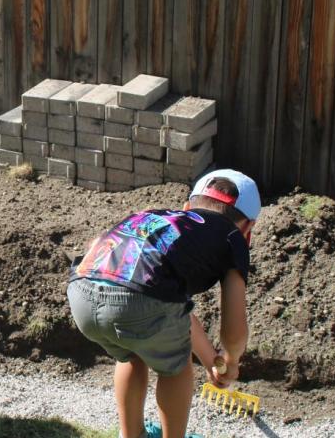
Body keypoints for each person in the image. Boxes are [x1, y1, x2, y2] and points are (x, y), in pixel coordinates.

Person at [67, 169, 259, 438]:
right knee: (176, 369)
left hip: (82, 288)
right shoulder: (231, 237)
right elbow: (234, 329)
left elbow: (174, 312)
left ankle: (131, 435)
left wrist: (210, 360)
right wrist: (231, 359)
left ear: (187, 207)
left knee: (132, 350)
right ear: (248, 228)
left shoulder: (157, 216)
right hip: (141, 300)